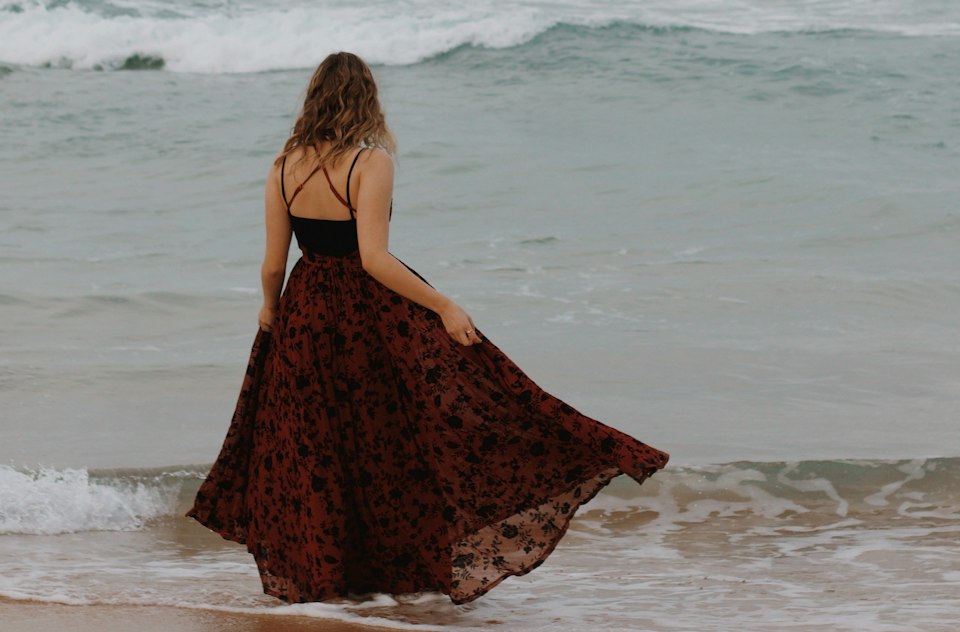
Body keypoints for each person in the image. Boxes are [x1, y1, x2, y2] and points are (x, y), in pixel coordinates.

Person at [186, 50, 669, 605]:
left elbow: (273, 262)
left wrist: (270, 309)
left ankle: (328, 581)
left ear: (313, 97)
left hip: (304, 313)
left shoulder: (282, 165)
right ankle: (388, 575)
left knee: (317, 446)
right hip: (364, 317)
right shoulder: (370, 163)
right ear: (367, 100)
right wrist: (444, 305)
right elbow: (374, 259)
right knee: (386, 439)